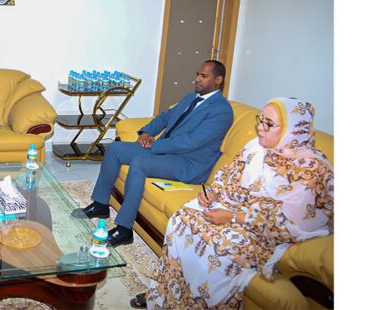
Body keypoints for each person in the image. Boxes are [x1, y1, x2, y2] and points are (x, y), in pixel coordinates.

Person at [130, 97, 334, 308]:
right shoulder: (255, 147)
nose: (260, 128)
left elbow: (287, 222)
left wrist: (233, 217)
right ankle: (166, 293)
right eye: (261, 120)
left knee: (219, 246)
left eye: (269, 124)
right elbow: (228, 176)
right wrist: (212, 193)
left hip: (261, 229)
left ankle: (197, 304)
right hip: (233, 208)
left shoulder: (310, 168)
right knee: (183, 218)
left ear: (293, 130)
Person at [74, 60, 233, 248]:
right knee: (115, 149)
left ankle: (124, 229)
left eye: (204, 76)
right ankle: (100, 204)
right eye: (198, 74)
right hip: (166, 151)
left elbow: (193, 141)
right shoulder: (190, 98)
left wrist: (155, 146)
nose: (197, 79)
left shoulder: (221, 111)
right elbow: (165, 117)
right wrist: (147, 132)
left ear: (218, 80)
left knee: (140, 162)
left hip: (188, 163)